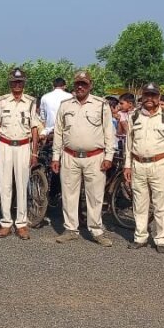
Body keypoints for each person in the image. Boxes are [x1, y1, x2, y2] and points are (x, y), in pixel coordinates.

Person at [51, 71, 115, 245]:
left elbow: (109, 132)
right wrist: (55, 157)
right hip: (69, 155)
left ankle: (96, 231)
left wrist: (109, 156)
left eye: (84, 84)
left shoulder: (101, 105)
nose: (80, 87)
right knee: (69, 194)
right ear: (74, 85)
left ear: (90, 85)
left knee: (95, 196)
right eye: (78, 84)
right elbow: (58, 132)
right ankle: (71, 229)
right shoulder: (65, 105)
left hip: (95, 157)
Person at [124, 83, 164, 254]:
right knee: (139, 204)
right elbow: (128, 144)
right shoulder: (134, 116)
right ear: (142, 97)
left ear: (159, 97)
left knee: (161, 205)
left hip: (160, 165)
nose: (149, 98)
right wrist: (127, 165)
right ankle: (140, 237)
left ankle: (162, 240)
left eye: (153, 95)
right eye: (146, 95)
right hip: (138, 165)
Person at [0, 68, 43, 239]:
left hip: (23, 145)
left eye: (20, 82)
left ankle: (21, 224)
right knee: (5, 185)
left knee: (22, 185)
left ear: (24, 83)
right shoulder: (2, 101)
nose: (17, 85)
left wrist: (34, 153)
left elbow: (34, 128)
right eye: (14, 82)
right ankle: (6, 222)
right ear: (10, 83)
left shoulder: (30, 102)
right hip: (5, 145)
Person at [39, 77, 72, 142]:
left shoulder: (45, 97)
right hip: (66, 133)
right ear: (65, 86)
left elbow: (43, 118)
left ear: (53, 86)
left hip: (49, 133)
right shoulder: (70, 97)